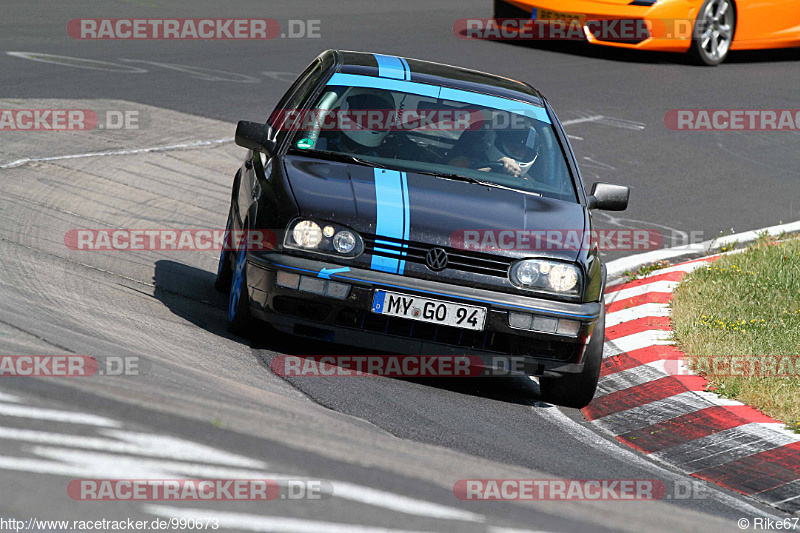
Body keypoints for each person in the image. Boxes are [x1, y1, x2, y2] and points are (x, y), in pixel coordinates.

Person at [449, 123, 540, 178]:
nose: (517, 152)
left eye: (523, 150)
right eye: (513, 146)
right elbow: (449, 181)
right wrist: (494, 170)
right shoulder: (463, 162)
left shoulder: (527, 182)